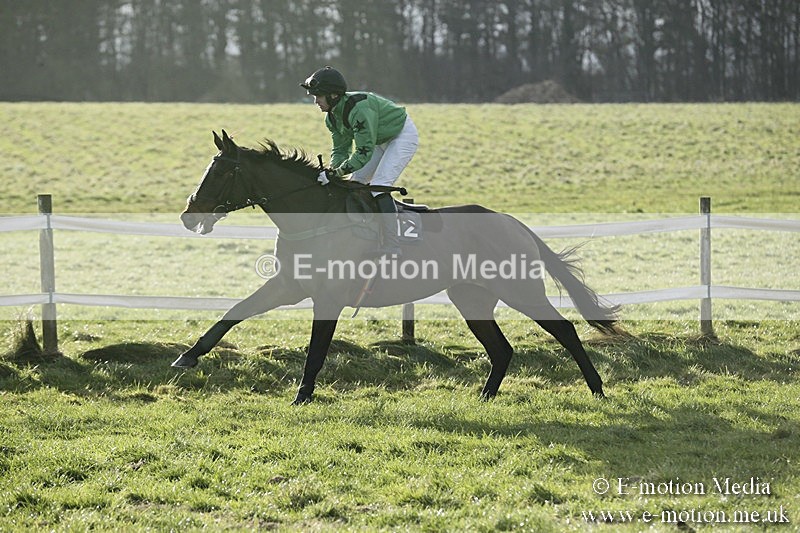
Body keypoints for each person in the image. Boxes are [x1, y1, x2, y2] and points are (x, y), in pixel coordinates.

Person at [300, 66, 418, 257]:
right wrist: (333, 169)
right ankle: (361, 233)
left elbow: (362, 154)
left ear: (333, 96)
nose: (316, 101)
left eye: (318, 96)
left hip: (401, 135)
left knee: (380, 186)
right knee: (355, 184)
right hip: (379, 140)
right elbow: (341, 150)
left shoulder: (359, 110)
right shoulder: (332, 118)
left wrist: (336, 174)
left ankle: (392, 243)